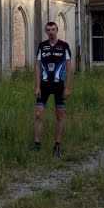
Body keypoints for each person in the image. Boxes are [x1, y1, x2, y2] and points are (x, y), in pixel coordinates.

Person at [33, 21, 72, 157]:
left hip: (58, 85)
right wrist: (37, 86)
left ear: (57, 30)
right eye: (48, 30)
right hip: (44, 85)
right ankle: (36, 145)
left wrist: (67, 88)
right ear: (46, 32)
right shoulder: (42, 46)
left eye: (53, 29)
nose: (51, 32)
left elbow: (69, 68)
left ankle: (57, 146)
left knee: (60, 115)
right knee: (38, 114)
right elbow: (37, 66)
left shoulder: (64, 46)